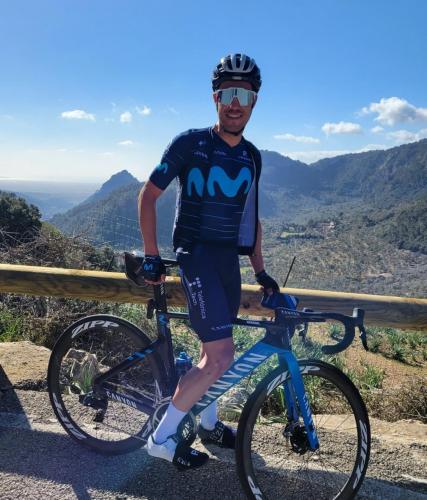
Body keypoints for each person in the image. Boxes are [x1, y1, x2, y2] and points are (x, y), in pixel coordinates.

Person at [138, 53, 280, 469]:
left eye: (244, 95)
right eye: (228, 93)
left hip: (227, 263)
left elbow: (252, 218)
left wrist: (260, 271)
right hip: (196, 257)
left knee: (211, 352)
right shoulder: (190, 143)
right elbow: (148, 196)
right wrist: (151, 255)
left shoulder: (252, 156)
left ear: (254, 101)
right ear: (216, 97)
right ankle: (161, 439)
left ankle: (208, 424)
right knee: (220, 357)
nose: (235, 103)